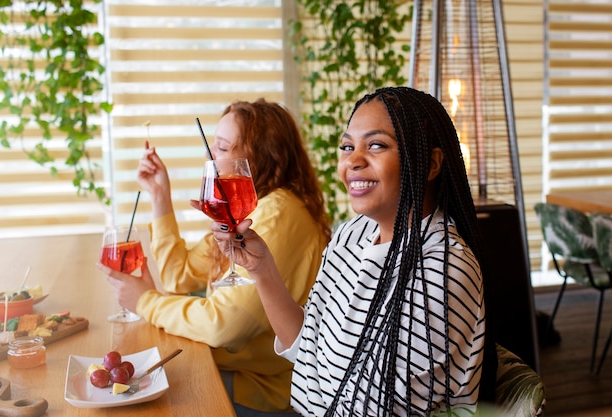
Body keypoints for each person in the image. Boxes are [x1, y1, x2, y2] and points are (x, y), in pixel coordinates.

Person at [210, 87, 497, 416]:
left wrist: (312, 378)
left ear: (430, 164)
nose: (353, 161)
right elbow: (307, 345)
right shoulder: (352, 233)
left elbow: (372, 407)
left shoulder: (443, 270)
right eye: (348, 146)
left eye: (376, 145)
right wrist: (262, 269)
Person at [96, 98, 332, 416]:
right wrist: (159, 195)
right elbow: (180, 276)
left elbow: (222, 326)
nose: (209, 156)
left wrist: (145, 302)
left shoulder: (276, 213)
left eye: (220, 148)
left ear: (260, 156)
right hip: (231, 368)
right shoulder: (249, 209)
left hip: (263, 388)